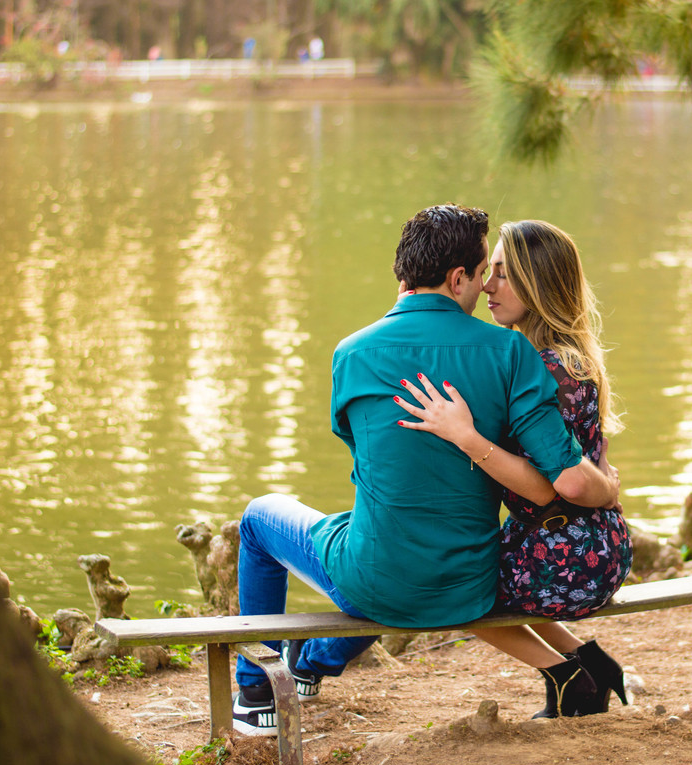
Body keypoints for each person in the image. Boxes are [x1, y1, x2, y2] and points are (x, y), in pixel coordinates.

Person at [231, 205, 621, 736]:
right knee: (396, 537)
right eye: (486, 271)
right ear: (458, 277)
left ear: (402, 273)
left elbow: (359, 446)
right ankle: (313, 661)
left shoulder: (351, 352)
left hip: (378, 577)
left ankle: (255, 692)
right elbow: (561, 476)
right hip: (469, 582)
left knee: (259, 519)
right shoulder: (511, 351)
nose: (486, 287)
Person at [397, 220, 632, 715]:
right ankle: (589, 666)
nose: (487, 286)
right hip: (595, 543)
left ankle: (570, 677)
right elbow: (591, 461)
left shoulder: (544, 365)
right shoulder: (571, 358)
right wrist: (607, 491)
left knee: (453, 586)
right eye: (490, 271)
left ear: (538, 284)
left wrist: (464, 434)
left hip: (565, 556)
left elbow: (566, 481)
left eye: (503, 274)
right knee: (481, 568)